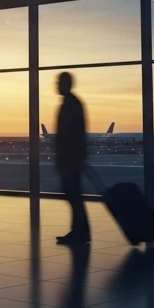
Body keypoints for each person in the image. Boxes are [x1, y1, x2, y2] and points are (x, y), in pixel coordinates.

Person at [55, 71, 90, 245]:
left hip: (70, 159)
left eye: (59, 82)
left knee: (73, 196)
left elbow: (71, 134)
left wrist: (68, 157)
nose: (56, 85)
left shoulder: (71, 104)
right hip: (71, 158)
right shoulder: (72, 103)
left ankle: (80, 233)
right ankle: (80, 232)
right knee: (74, 196)